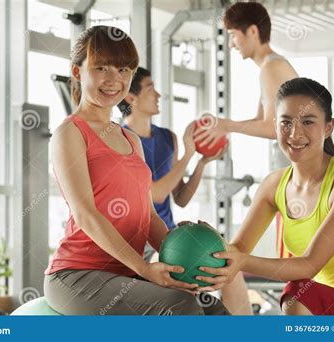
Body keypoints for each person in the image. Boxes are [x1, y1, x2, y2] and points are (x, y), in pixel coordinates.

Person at [43, 26, 229, 316]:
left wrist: (184, 251)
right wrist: (144, 268)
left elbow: (149, 214)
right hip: (76, 275)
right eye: (101, 67)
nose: (113, 79)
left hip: (123, 273)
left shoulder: (131, 139)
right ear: (78, 73)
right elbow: (86, 214)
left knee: (211, 306)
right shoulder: (70, 133)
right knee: (181, 306)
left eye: (123, 69)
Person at [193, 78, 334, 315]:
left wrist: (240, 259)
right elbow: (237, 249)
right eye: (286, 122)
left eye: (308, 122)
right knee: (233, 268)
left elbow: (309, 265)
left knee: (298, 291)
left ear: (328, 127)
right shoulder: (274, 184)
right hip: (328, 309)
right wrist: (202, 243)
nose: (295, 133)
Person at [194, 2, 300, 314]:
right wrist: (227, 131)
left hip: (298, 177)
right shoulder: (268, 68)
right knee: (283, 253)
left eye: (233, 35)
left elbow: (271, 128)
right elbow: (261, 119)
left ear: (252, 31)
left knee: (296, 260)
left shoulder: (272, 67)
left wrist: (226, 125)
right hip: (287, 177)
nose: (232, 43)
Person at [119, 67, 225, 250]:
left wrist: (202, 162)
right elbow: (157, 195)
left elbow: (181, 199)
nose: (158, 95)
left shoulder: (168, 138)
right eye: (150, 88)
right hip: (138, 241)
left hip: (169, 236)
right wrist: (188, 155)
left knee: (222, 264)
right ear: (130, 98)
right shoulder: (120, 139)